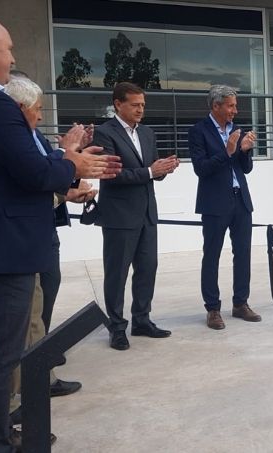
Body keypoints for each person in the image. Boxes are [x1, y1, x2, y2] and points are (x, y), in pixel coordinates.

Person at [0, 16, 120, 453]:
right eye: (8, 48)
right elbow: (34, 172)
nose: (12, 57)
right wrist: (71, 162)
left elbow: (20, 171)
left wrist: (64, 160)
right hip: (0, 250)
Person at [3, 74, 96, 425]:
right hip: (24, 239)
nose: (42, 115)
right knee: (26, 317)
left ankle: (41, 375)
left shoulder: (33, 136)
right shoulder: (12, 142)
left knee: (40, 308)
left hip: (43, 232)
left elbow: (50, 175)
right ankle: (20, 397)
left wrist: (73, 167)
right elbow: (36, 181)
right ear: (20, 107)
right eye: (38, 108)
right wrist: (68, 158)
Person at [93, 81, 179, 351]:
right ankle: (117, 327)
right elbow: (111, 174)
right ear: (118, 104)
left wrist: (164, 169)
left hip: (146, 214)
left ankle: (141, 320)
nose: (141, 109)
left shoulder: (147, 132)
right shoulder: (104, 133)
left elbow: (151, 171)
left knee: (147, 268)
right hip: (119, 216)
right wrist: (151, 172)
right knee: (117, 274)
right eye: (135, 105)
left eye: (143, 105)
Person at [189, 85, 260, 330]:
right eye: (230, 106)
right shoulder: (199, 131)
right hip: (214, 202)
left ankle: (241, 303)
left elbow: (245, 168)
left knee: (243, 253)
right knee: (212, 255)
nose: (234, 110)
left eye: (235, 106)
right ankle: (213, 309)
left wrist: (245, 151)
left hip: (241, 200)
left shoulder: (237, 130)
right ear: (216, 105)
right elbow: (201, 169)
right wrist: (228, 151)